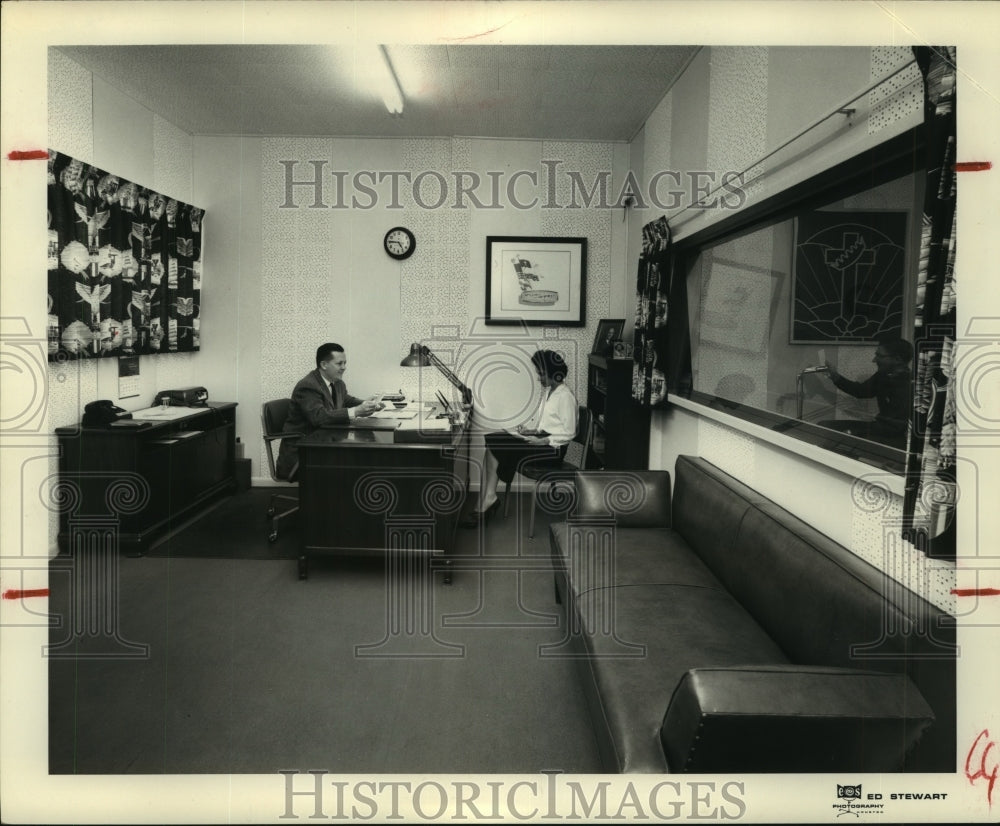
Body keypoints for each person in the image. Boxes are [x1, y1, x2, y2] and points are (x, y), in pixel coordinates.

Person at [462, 349, 578, 527]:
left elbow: (569, 432)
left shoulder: (566, 396)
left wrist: (543, 440)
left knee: (496, 443)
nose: (539, 378)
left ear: (555, 374)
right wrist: (529, 431)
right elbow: (548, 425)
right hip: (542, 442)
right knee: (494, 439)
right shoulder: (549, 392)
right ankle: (487, 498)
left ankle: (488, 500)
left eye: (541, 374)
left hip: (552, 451)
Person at [276, 342, 383, 480]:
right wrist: (355, 411)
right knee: (355, 462)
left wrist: (368, 403)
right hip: (304, 453)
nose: (344, 367)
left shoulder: (337, 382)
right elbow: (318, 417)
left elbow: (345, 399)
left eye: (345, 363)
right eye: (339, 364)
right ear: (324, 365)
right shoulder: (308, 385)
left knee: (360, 458)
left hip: (324, 444)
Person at [820, 336, 913, 450]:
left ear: (898, 359)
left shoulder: (908, 385)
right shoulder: (883, 375)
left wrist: (855, 432)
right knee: (824, 427)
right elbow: (861, 391)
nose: (874, 360)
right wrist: (835, 377)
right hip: (879, 428)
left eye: (879, 356)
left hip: (892, 437)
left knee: (833, 438)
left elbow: (895, 428)